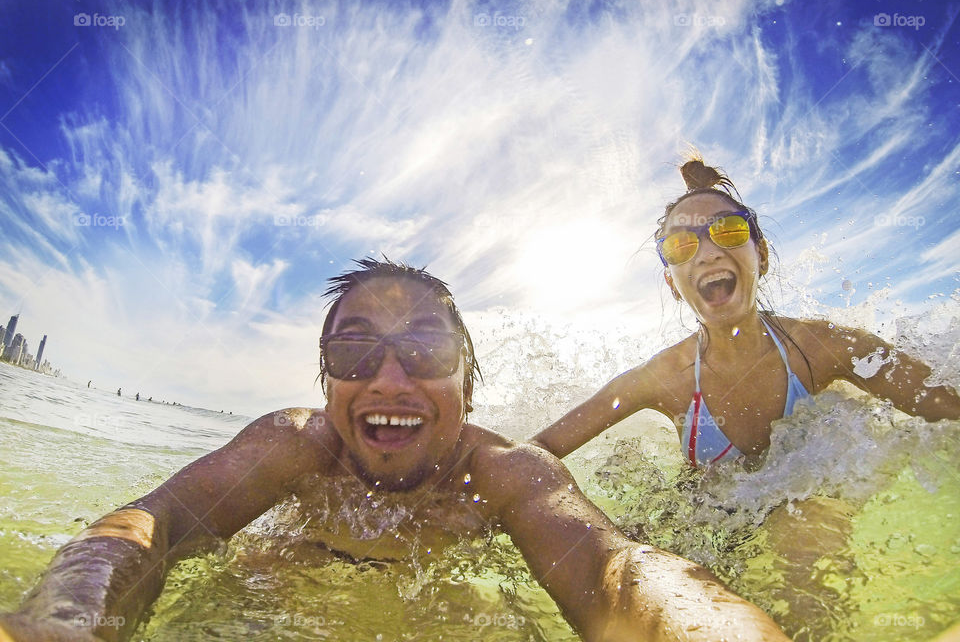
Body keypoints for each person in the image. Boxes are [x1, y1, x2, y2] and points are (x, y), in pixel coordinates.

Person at [0, 258, 789, 642]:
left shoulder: (505, 470)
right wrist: (64, 621)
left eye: (423, 349)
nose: (388, 379)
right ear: (326, 384)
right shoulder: (295, 446)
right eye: (354, 352)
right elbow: (156, 523)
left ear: (469, 389)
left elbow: (615, 573)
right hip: (283, 587)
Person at [534, 155, 960, 467]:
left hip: (811, 515)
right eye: (681, 246)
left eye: (729, 231)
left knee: (807, 520)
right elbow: (539, 452)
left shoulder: (828, 348)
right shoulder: (662, 378)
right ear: (673, 284)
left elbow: (951, 415)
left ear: (762, 255)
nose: (707, 253)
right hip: (706, 526)